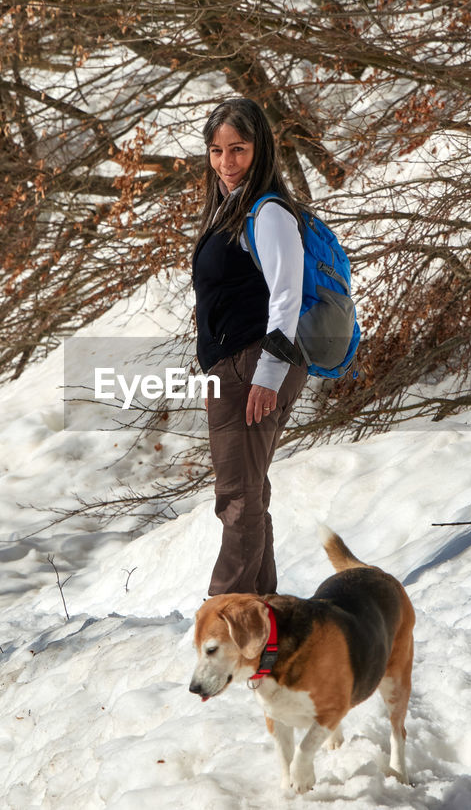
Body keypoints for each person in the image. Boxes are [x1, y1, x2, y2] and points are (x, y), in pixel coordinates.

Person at [192, 97, 309, 596]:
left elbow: (288, 294)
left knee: (238, 499)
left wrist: (266, 375)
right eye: (217, 151)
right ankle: (265, 615)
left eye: (237, 149)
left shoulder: (268, 213)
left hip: (257, 364)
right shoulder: (229, 209)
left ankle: (226, 616)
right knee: (250, 495)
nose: (226, 163)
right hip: (234, 367)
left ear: (260, 149)